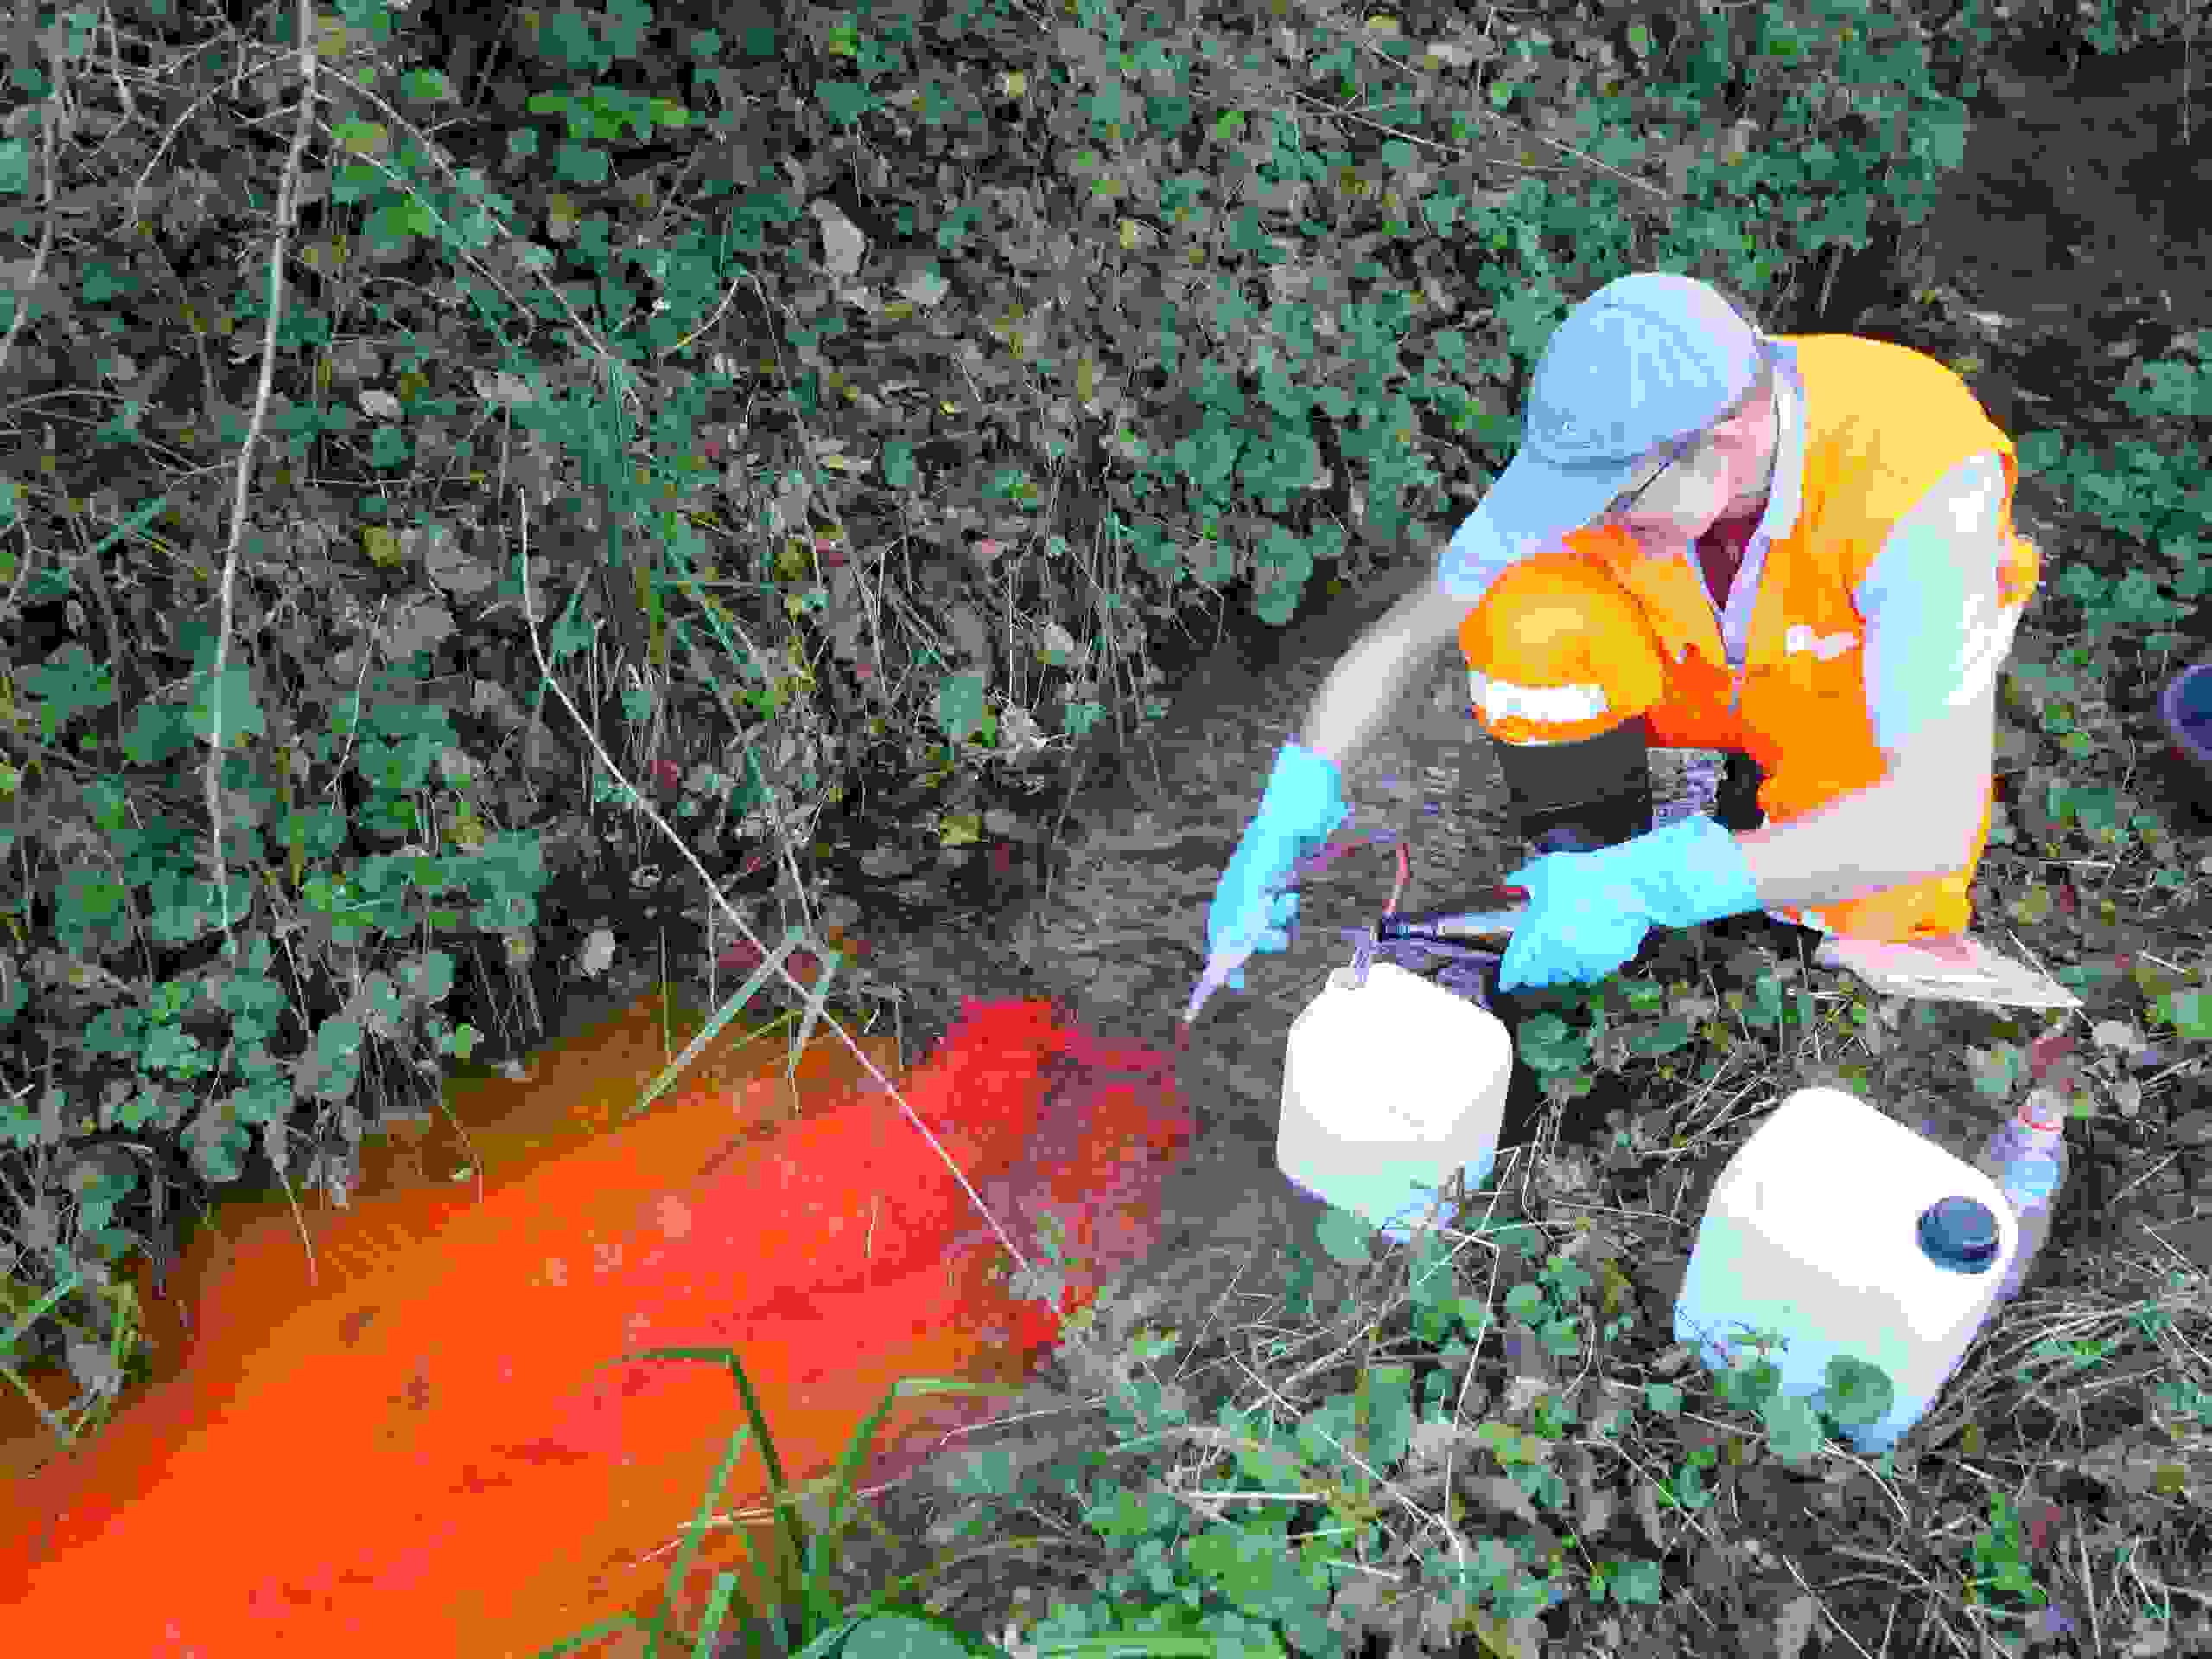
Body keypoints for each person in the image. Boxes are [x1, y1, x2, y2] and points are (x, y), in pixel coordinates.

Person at [1207, 270, 2042, 995]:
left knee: (1865, 920)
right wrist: (1289, 809)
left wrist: (1665, 884)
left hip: (1838, 692)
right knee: (1525, 614)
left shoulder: (1921, 478)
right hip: (1700, 665)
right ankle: (1582, 862)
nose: (1590, 517)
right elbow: (1407, 635)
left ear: (1724, 444)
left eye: (1615, 498)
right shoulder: (1617, 424)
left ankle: (1688, 882)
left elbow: (1927, 818)